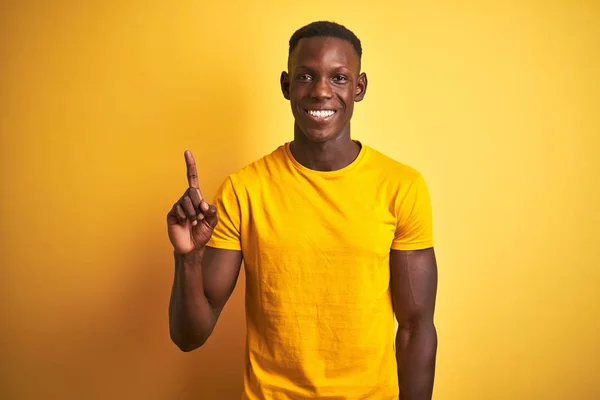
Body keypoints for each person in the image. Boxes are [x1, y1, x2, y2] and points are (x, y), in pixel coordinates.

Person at [167, 21, 438, 400]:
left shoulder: (400, 187)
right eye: (306, 76)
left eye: (339, 78)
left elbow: (416, 327)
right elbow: (189, 336)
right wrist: (188, 259)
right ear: (286, 85)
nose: (322, 91)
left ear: (358, 88)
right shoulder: (244, 190)